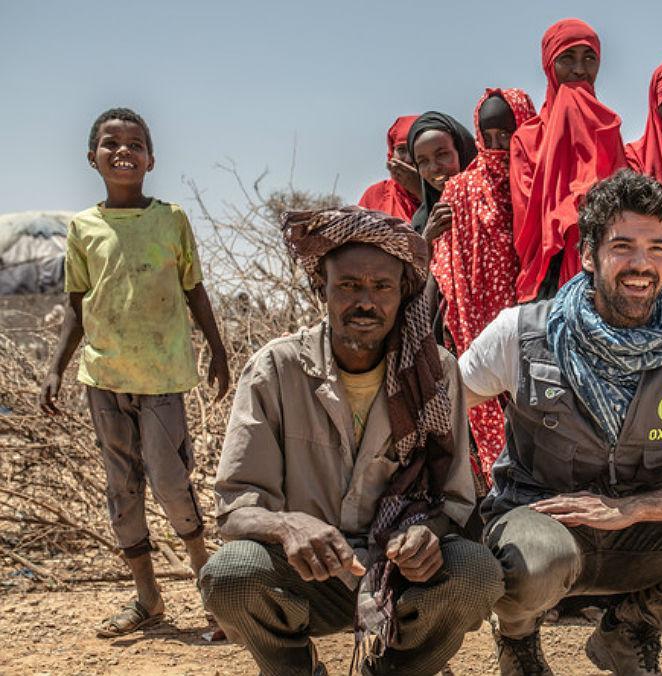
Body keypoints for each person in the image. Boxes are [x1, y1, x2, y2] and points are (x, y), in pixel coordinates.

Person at [460, 170, 662, 675]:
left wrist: (632, 510)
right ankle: (519, 639)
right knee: (537, 561)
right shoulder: (523, 333)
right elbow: (439, 412)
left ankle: (630, 628)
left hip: (637, 533)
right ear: (589, 255)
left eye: (657, 249)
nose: (642, 265)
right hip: (542, 528)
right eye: (623, 247)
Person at [199, 207, 503, 675]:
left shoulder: (434, 372)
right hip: (308, 576)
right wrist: (289, 527)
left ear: (403, 292)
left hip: (400, 577)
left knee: (476, 572)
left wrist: (428, 534)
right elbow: (235, 506)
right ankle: (293, 669)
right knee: (230, 574)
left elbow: (456, 500)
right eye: (349, 286)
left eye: (382, 287)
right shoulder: (274, 369)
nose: (366, 302)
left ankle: (396, 668)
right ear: (321, 288)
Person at [38, 107, 230, 638]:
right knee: (122, 489)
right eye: (110, 143)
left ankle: (213, 595)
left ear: (151, 157)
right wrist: (56, 368)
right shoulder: (83, 227)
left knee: (172, 485)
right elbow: (77, 304)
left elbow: (194, 289)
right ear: (91, 157)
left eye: (135, 143)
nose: (123, 151)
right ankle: (148, 599)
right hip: (103, 378)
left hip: (164, 377)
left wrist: (218, 350)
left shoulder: (171, 219)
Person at [431, 88, 537, 486]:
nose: (497, 146)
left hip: (531, 321)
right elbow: (450, 268)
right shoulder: (460, 189)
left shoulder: (538, 180)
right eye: (487, 137)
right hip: (477, 328)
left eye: (507, 135)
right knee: (490, 430)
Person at [510, 18, 626, 302]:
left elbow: (622, 199)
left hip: (607, 269)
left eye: (589, 58)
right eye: (567, 58)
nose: (579, 70)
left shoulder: (608, 126)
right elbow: (529, 224)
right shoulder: (526, 139)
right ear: (549, 64)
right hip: (549, 274)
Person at [406, 111, 477, 237]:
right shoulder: (422, 222)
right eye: (423, 161)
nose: (434, 168)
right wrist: (427, 243)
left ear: (461, 151)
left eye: (442, 154)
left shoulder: (493, 202)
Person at [358, 116, 422, 221]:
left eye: (415, 150)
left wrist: (421, 191)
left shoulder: (448, 194)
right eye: (402, 150)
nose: (409, 159)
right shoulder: (377, 194)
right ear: (391, 154)